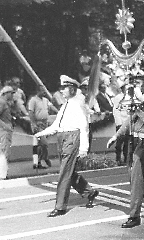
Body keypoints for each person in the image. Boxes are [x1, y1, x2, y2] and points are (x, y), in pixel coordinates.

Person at [107, 56, 144, 228]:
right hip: (134, 142)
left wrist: (137, 109)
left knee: (136, 180)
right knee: (135, 179)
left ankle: (135, 216)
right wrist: (116, 136)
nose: (141, 86)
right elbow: (129, 122)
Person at [34, 75, 99, 217]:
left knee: (64, 172)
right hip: (62, 138)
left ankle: (60, 206)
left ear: (72, 89)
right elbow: (56, 125)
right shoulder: (65, 105)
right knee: (69, 171)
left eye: (64, 88)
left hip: (72, 138)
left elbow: (84, 126)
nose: (61, 91)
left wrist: (84, 148)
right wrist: (41, 134)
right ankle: (90, 191)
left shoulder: (78, 104)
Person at [28, 85, 58, 169]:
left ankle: (40, 161)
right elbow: (31, 112)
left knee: (42, 145)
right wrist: (34, 124)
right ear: (38, 91)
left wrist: (59, 112)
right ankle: (44, 158)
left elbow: (51, 107)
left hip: (45, 124)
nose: (44, 92)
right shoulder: (33, 100)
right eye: (42, 91)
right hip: (38, 124)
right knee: (44, 143)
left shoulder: (45, 100)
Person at [0, 86, 16, 180]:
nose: (12, 95)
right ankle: (2, 174)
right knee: (4, 151)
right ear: (6, 93)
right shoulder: (2, 102)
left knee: (6, 150)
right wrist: (5, 126)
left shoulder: (5, 102)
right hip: (4, 129)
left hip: (6, 129)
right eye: (11, 93)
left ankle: (4, 173)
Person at [112, 82, 130, 165]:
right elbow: (115, 111)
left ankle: (126, 158)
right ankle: (118, 158)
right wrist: (118, 122)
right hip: (121, 122)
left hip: (128, 122)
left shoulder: (130, 98)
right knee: (119, 141)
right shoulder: (118, 98)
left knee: (127, 141)